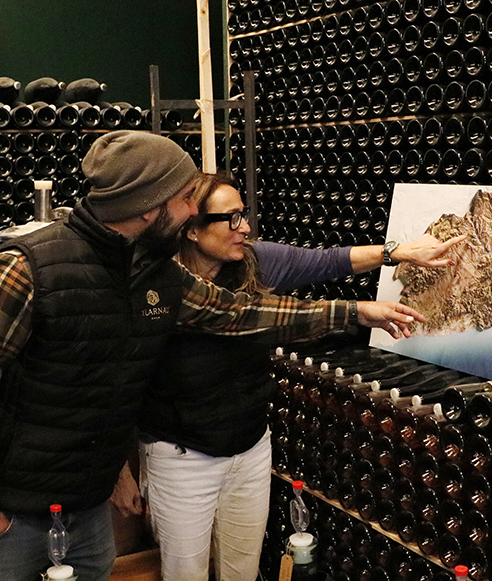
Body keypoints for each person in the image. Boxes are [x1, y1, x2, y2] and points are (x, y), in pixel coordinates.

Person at [0, 131, 424, 581]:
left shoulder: (154, 271)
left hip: (84, 505)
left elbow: (240, 313)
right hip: (4, 510)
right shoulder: (24, 271)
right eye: (185, 199)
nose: (190, 213)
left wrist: (353, 313)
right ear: (148, 206)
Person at [110, 171, 466, 581]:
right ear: (192, 229)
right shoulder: (157, 285)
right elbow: (119, 383)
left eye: (243, 215)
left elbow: (329, 259)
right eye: (231, 219)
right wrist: (119, 473)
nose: (244, 228)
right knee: (185, 573)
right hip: (182, 457)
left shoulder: (254, 261)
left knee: (241, 570)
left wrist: (398, 251)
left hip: (250, 449)